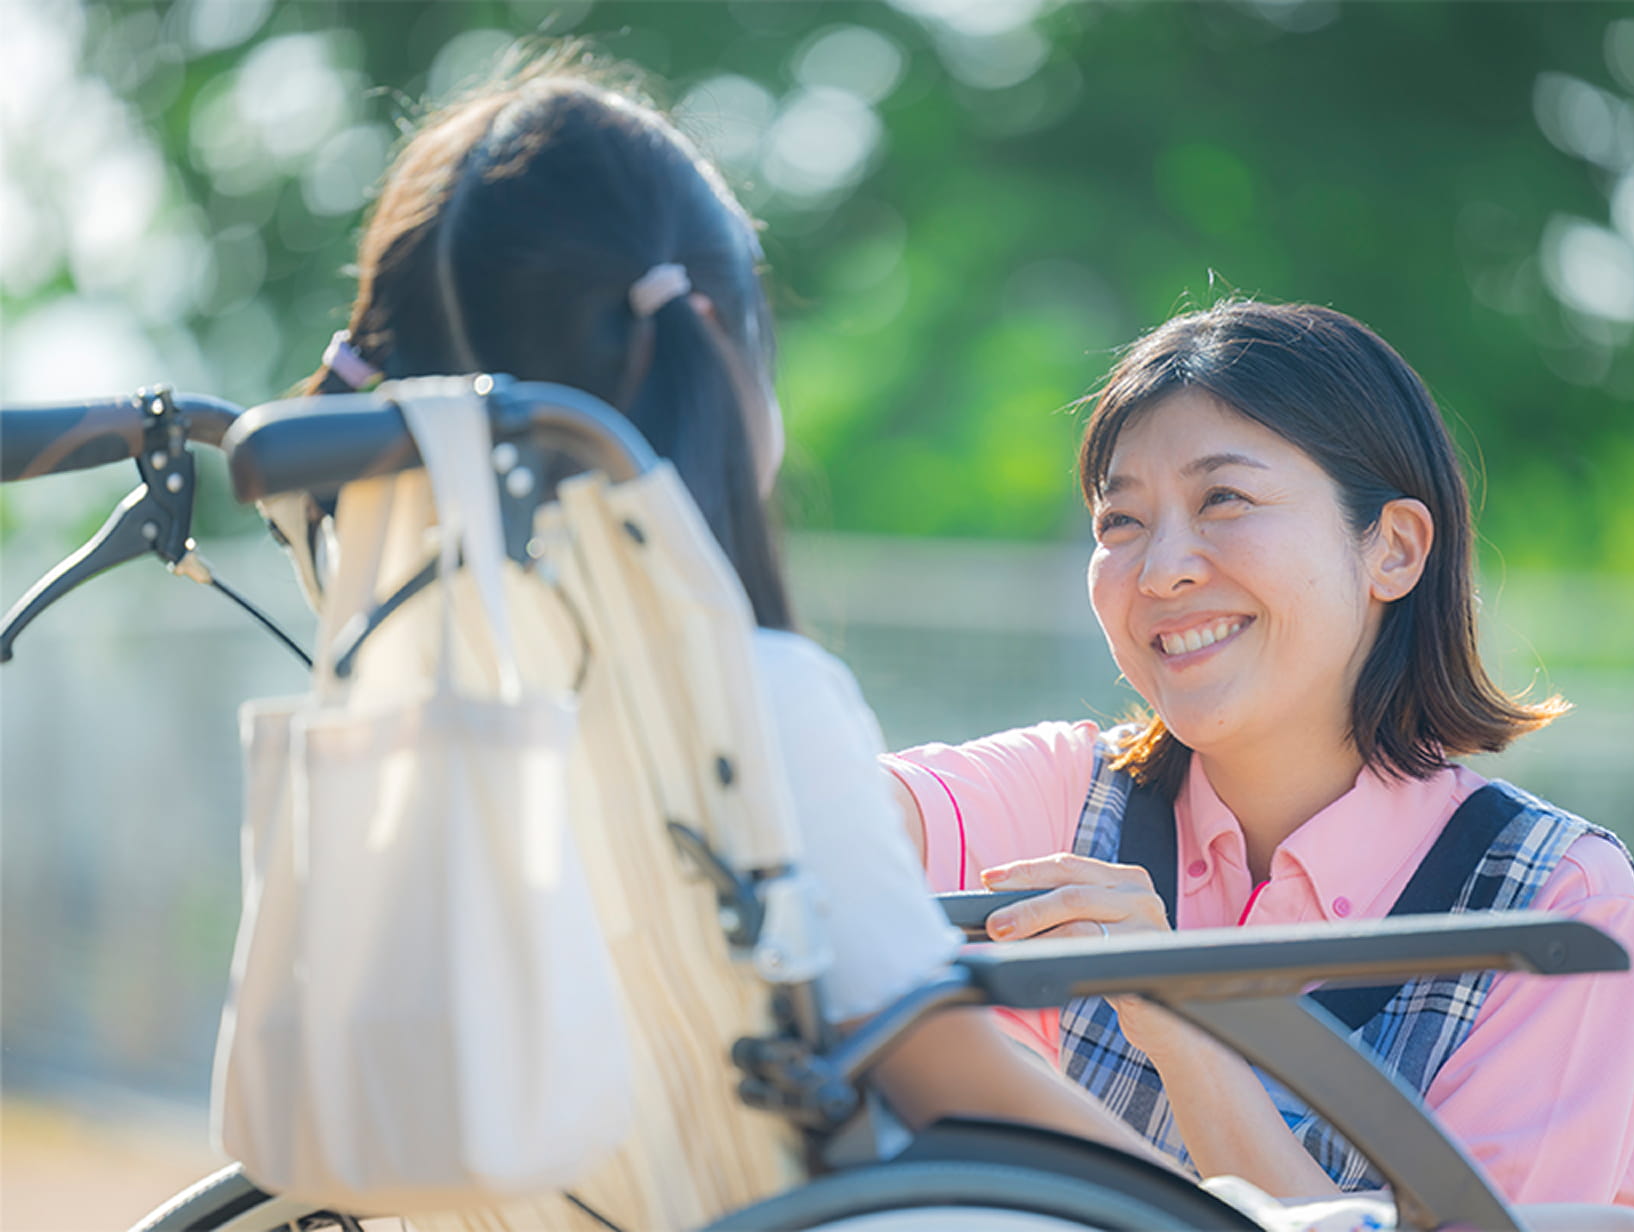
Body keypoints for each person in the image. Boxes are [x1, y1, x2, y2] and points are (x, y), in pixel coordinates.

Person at [284, 54, 1168, 1168]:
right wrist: (1215, 1203)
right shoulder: (743, 701)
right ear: (706, 324)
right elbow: (944, 1070)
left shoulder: (430, 704)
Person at [883, 299, 1634, 1208]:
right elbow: (792, 826)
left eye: (1225, 500)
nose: (1162, 568)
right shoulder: (1064, 797)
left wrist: (1181, 1029)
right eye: (1119, 522)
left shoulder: (1555, 901)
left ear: (1395, 550)